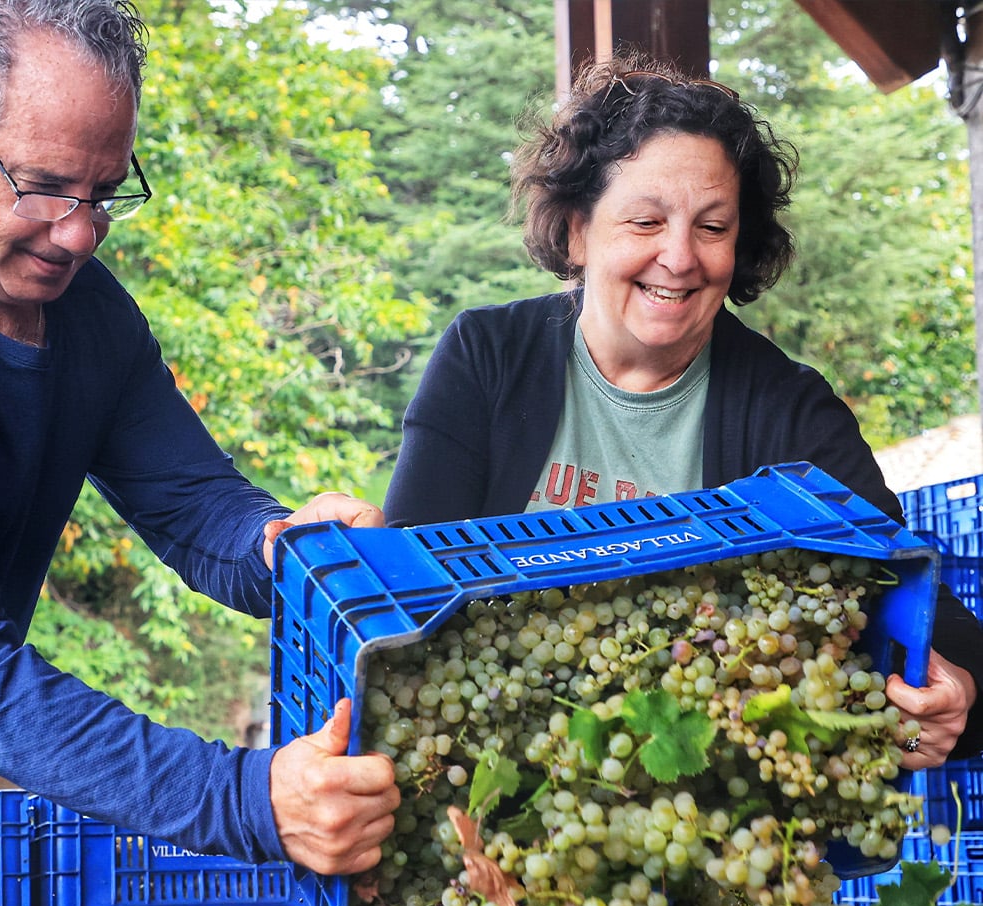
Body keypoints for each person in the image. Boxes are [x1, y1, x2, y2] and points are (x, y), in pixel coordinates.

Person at [0, 0, 398, 906]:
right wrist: (251, 799)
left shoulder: (91, 320)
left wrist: (290, 547)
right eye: (43, 185)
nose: (77, 232)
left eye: (105, 192)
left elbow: (196, 508)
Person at [385, 53, 983, 769]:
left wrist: (949, 697)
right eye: (644, 220)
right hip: (497, 778)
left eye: (712, 227)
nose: (678, 257)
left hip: (704, 802)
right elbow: (402, 594)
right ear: (578, 231)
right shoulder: (487, 358)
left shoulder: (790, 411)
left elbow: (925, 611)